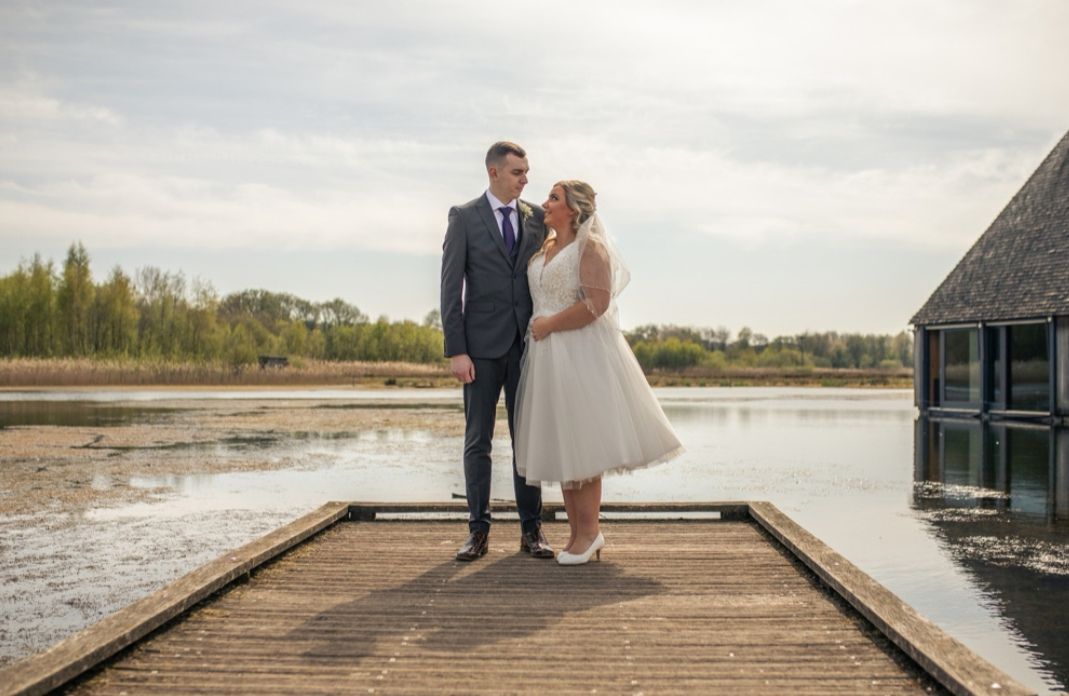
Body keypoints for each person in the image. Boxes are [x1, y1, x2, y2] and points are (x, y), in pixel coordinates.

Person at [515, 180, 684, 565]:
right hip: (544, 357)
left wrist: (551, 324)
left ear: (572, 210)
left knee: (584, 446)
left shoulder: (589, 248)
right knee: (564, 445)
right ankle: (576, 534)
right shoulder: (546, 248)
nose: (544, 203)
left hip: (578, 354)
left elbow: (597, 304)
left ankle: (590, 533)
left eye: (553, 198)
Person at [440, 141, 554, 562]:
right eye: (518, 172)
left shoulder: (537, 219)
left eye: (526, 172)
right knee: (478, 441)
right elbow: (451, 288)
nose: (526, 179)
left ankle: (532, 530)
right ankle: (478, 531)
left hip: (527, 347)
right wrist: (457, 350)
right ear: (494, 173)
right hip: (480, 349)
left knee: (528, 440)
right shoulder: (464, 218)